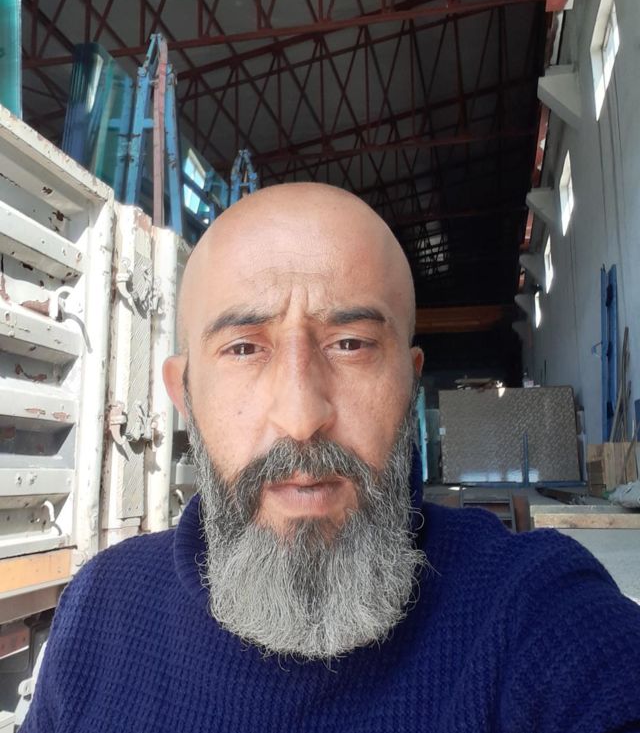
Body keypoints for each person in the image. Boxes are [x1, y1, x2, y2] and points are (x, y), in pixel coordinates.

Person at [22, 183, 640, 732]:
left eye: (351, 344)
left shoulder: (531, 607)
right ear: (185, 395)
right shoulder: (100, 610)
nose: (301, 415)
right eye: (244, 349)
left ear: (410, 382)